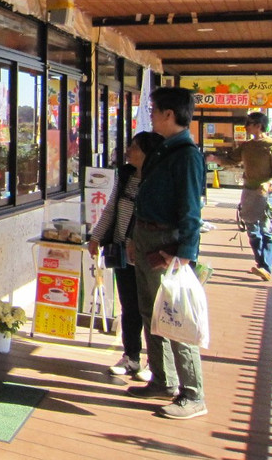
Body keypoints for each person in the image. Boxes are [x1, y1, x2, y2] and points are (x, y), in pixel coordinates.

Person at [127, 87, 207, 420]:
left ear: (169, 115)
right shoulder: (164, 149)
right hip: (146, 235)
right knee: (151, 312)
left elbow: (191, 210)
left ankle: (193, 394)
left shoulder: (186, 154)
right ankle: (162, 379)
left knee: (175, 317)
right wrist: (134, 237)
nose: (151, 114)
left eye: (154, 109)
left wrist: (182, 254)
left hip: (166, 243)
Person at [88, 130, 163, 381]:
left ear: (147, 153)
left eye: (134, 147)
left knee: (151, 309)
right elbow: (111, 207)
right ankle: (131, 356)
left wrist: (134, 241)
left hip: (147, 253)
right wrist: (97, 236)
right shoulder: (126, 175)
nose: (128, 150)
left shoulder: (157, 180)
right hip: (122, 251)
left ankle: (156, 363)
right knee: (129, 306)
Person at [213, 112, 272, 280]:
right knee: (253, 230)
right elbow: (231, 159)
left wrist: (270, 182)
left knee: (267, 230)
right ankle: (261, 263)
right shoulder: (246, 146)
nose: (246, 126)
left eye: (249, 123)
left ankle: (265, 267)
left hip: (268, 193)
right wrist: (214, 158)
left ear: (259, 125)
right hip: (249, 191)